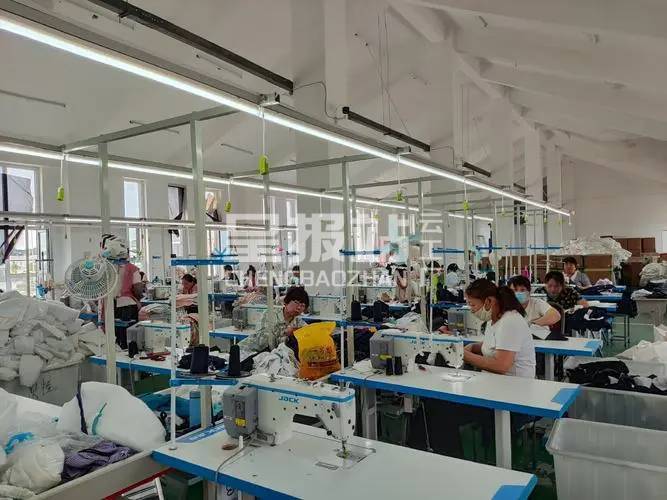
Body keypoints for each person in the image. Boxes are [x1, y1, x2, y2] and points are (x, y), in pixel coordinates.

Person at [460, 279, 536, 378]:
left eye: (473, 305)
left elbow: (502, 366)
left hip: (515, 383)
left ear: (489, 301)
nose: (472, 310)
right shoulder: (492, 319)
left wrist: (463, 355)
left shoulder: (510, 321)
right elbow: (496, 344)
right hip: (496, 380)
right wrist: (473, 347)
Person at [238, 286, 309, 352]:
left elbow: (309, 333)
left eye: (302, 305)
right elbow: (263, 342)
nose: (299, 308)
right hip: (249, 352)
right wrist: (286, 334)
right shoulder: (270, 315)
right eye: (296, 303)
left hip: (269, 356)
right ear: (286, 302)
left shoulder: (298, 321)